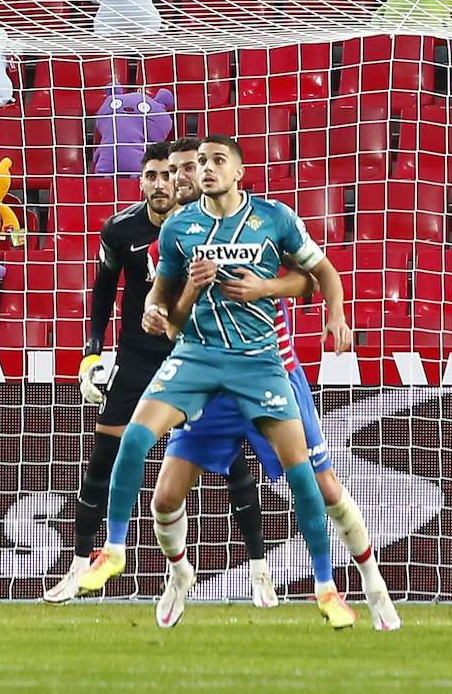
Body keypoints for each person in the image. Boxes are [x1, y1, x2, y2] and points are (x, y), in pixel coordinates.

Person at [77, 134, 357, 630]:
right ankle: (114, 548)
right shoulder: (180, 229)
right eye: (200, 162)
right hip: (197, 355)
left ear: (238, 171)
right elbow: (164, 307)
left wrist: (335, 315)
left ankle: (326, 587)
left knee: (302, 474)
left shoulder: (275, 217)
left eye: (216, 160)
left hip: (258, 362)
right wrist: (155, 311)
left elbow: (322, 274)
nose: (205, 168)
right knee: (136, 436)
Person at [44, 139, 279, 606]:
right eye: (149, 175)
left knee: (230, 462)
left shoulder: (201, 230)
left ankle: (258, 568)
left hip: (192, 354)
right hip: (136, 358)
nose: (159, 184)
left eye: (167, 175)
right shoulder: (120, 230)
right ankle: (77, 567)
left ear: (181, 179)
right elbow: (103, 292)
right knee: (103, 461)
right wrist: (92, 353)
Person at [155, 290, 402, 631]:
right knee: (166, 498)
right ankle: (179, 573)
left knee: (324, 488)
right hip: (210, 382)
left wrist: (276, 291)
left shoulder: (269, 235)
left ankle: (374, 586)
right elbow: (165, 305)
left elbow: (311, 275)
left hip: (273, 375)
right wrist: (156, 312)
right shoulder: (181, 238)